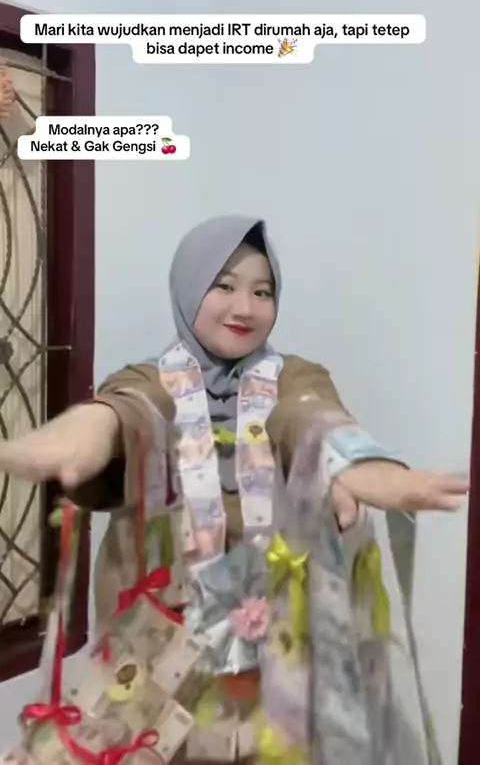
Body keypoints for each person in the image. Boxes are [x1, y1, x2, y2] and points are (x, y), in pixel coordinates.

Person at [0, 215, 467, 762]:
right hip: (157, 647)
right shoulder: (150, 379)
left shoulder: (294, 378)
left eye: (262, 292)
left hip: (272, 647)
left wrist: (363, 468)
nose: (244, 307)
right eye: (223, 286)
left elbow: (311, 416)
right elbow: (126, 409)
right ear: (188, 287)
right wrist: (80, 433)